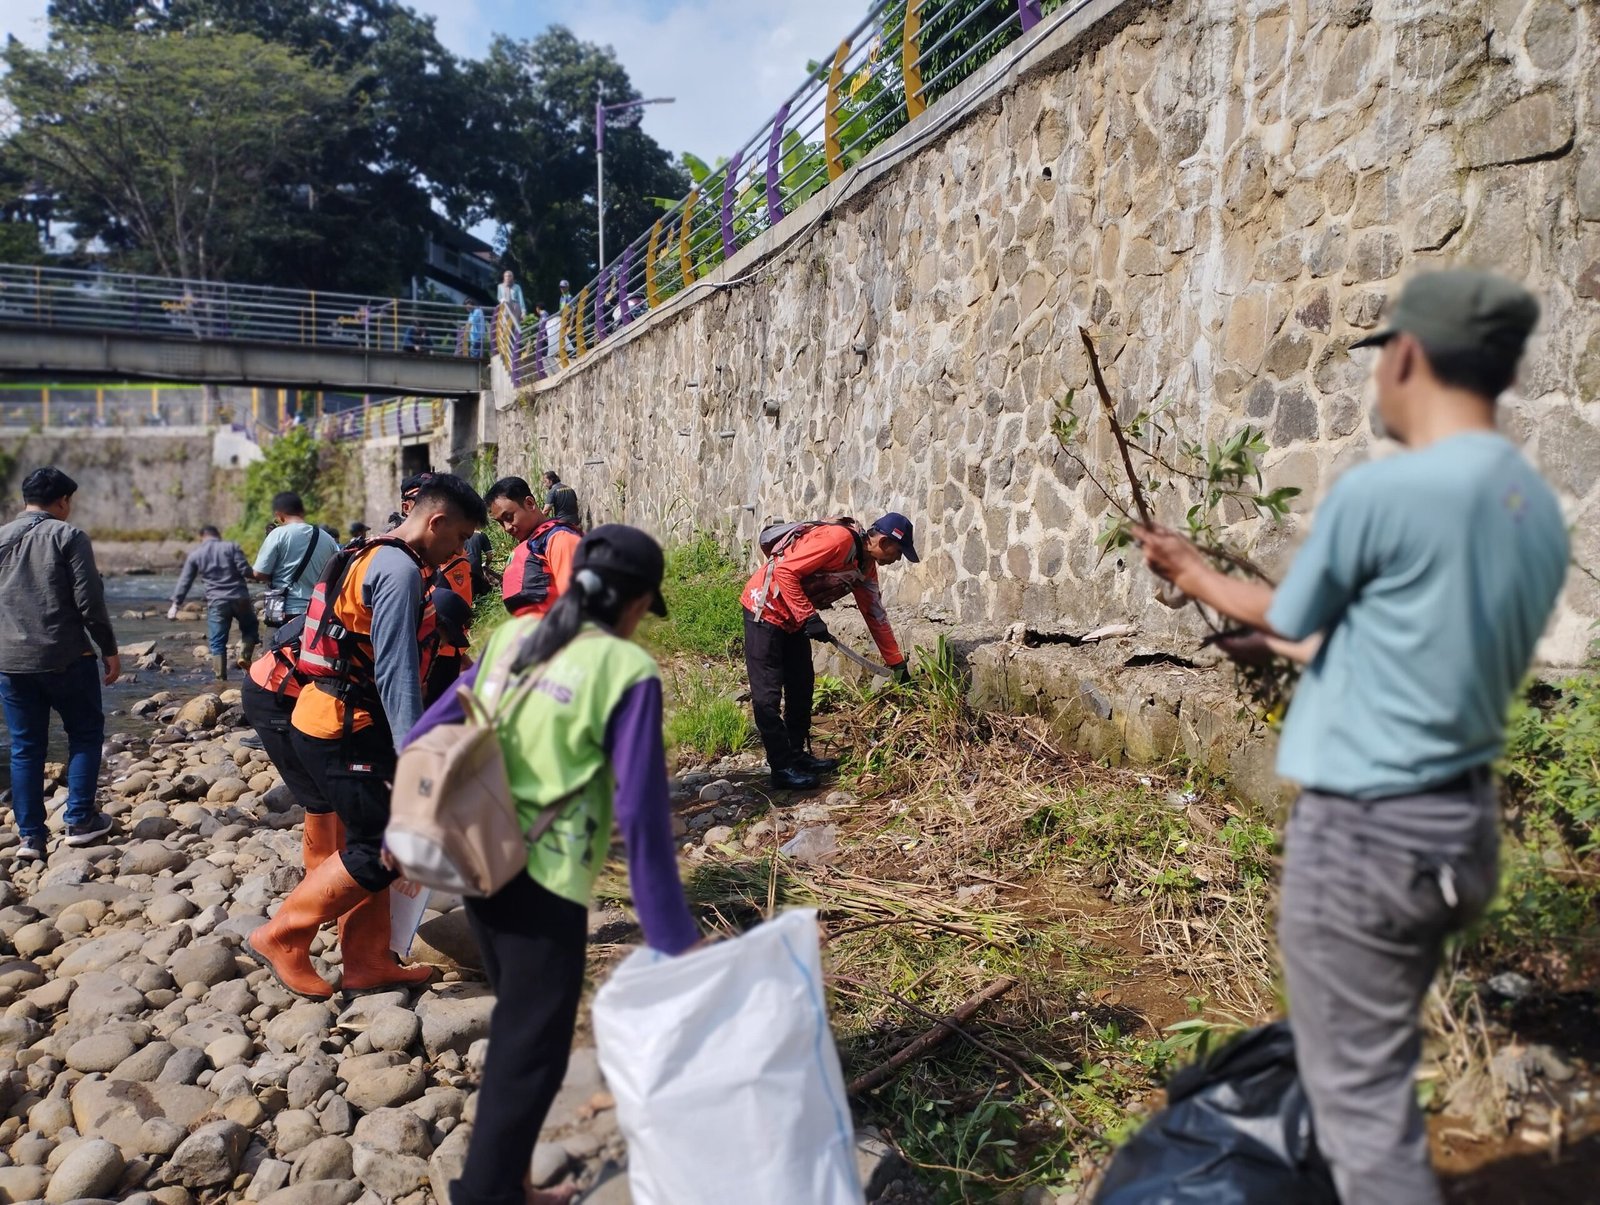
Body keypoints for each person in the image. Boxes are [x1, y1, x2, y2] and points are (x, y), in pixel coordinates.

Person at [1133, 269, 1568, 1205]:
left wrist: (1190, 567)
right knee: (1367, 1068)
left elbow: (1289, 602)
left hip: (1369, 839)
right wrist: (1288, 639)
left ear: (1406, 356)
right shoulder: (1532, 510)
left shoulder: (1393, 492)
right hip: (1455, 831)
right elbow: (1413, 632)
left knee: (1365, 1115)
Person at [404, 525, 697, 1205]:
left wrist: (409, 829)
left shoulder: (513, 640)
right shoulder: (626, 671)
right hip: (547, 884)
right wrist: (676, 942)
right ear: (634, 603)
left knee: (519, 1026)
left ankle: (508, 1181)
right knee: (528, 1051)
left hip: (480, 864)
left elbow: (426, 735)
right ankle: (488, 1193)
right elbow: (643, 819)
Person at [248, 473, 488, 999]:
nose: (459, 550)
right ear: (437, 521)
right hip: (343, 726)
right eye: (460, 537)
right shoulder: (399, 571)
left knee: (368, 838)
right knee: (383, 844)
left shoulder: (368, 551)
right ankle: (283, 934)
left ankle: (366, 961)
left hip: (337, 716)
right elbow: (396, 671)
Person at [740, 514, 917, 790]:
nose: (898, 559)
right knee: (767, 695)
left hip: (793, 619)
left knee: (801, 686)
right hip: (765, 609)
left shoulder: (865, 567)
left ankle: (796, 755)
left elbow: (874, 613)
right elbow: (784, 571)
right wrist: (809, 617)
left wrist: (896, 664)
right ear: (883, 541)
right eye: (898, 552)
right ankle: (781, 767)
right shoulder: (838, 540)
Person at [0, 467, 120, 861]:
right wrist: (108, 649)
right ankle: (79, 822)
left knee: (25, 747)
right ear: (63, 502)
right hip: (66, 655)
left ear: (24, 500)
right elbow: (89, 602)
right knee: (85, 735)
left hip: (11, 663)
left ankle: (30, 839)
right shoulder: (69, 535)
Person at [169, 524, 259, 680]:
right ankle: (244, 656)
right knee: (250, 628)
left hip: (217, 601)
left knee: (217, 641)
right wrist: (263, 575)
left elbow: (185, 580)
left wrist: (175, 604)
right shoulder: (231, 547)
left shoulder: (196, 554)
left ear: (201, 536)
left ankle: (220, 677)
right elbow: (245, 571)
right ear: (218, 534)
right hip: (240, 597)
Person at [485, 476, 580, 619]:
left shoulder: (559, 539)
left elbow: (578, 601)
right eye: (500, 522)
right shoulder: (530, 545)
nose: (507, 528)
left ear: (530, 503)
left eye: (509, 517)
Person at [251, 493, 337, 624]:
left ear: (279, 515)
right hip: (317, 612)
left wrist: (278, 576)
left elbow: (259, 573)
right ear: (303, 512)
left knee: (273, 643)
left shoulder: (278, 534)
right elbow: (336, 575)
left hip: (285, 611)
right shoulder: (328, 539)